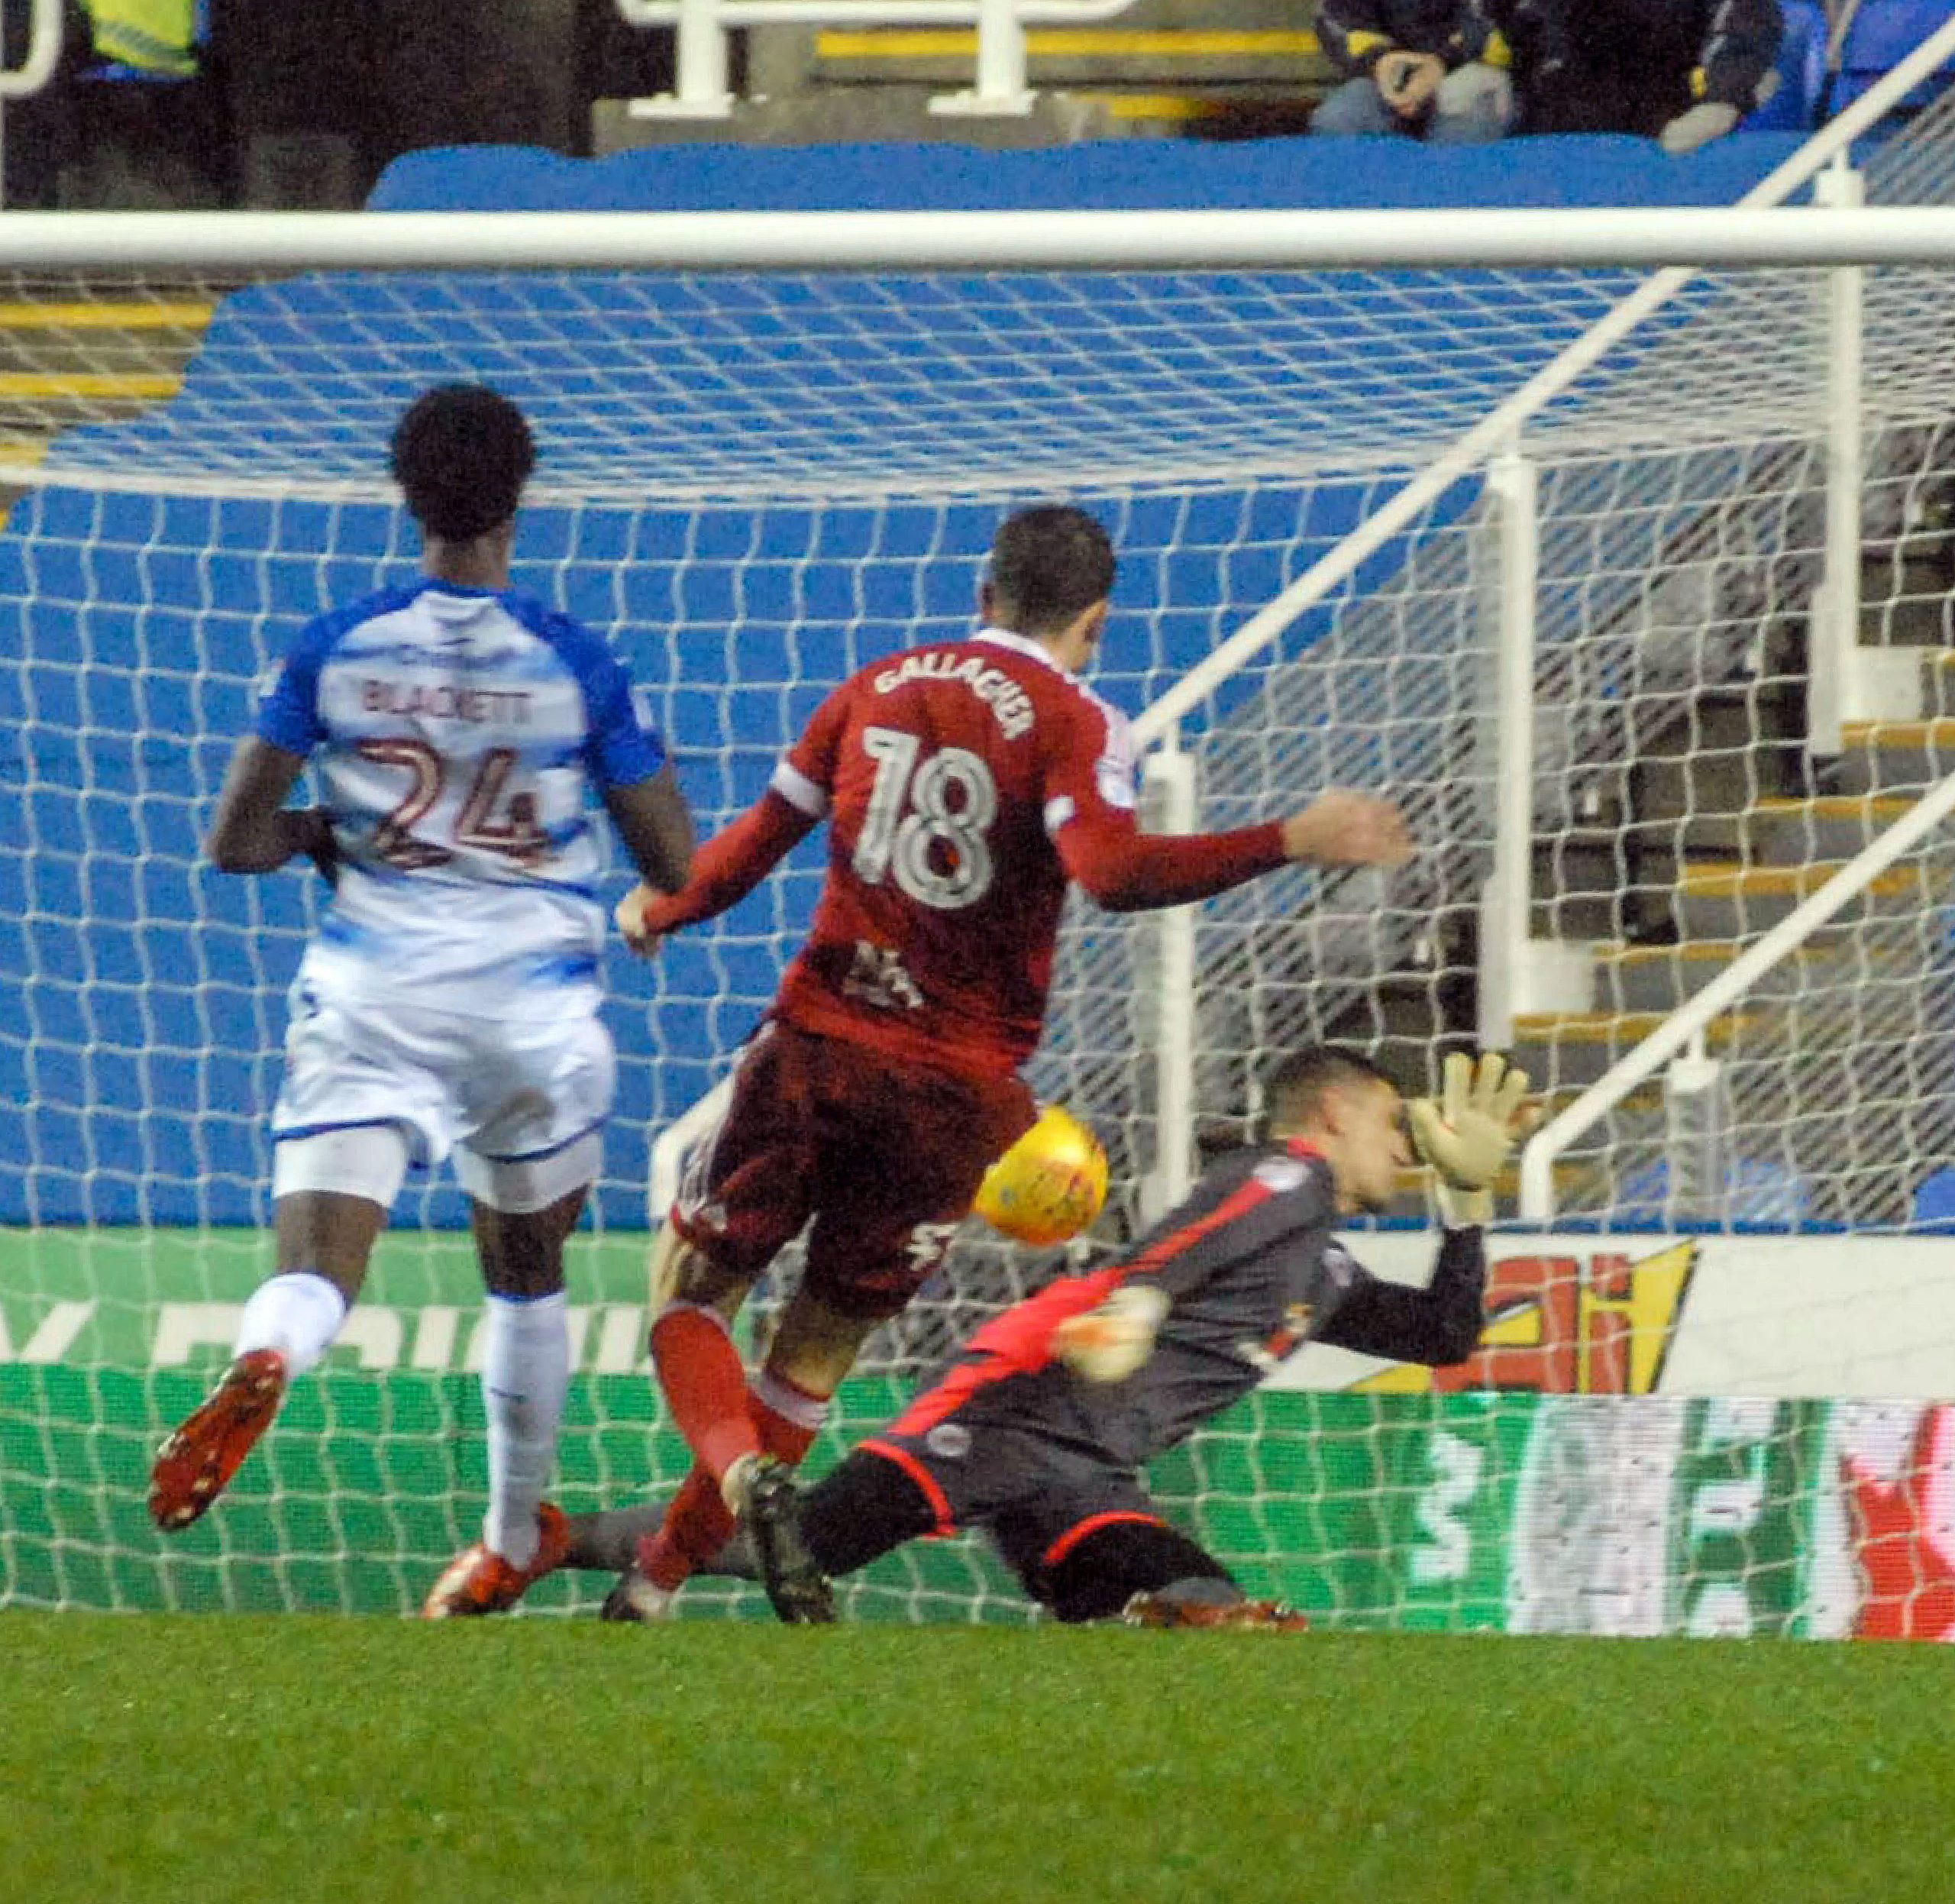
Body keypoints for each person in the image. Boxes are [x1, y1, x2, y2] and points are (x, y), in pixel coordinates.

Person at [583, 504, 1416, 1621]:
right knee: (817, 1352)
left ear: (985, 595)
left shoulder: (875, 686)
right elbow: (1110, 874)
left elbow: (742, 852)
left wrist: (657, 906)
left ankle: (737, 1481)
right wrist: (1288, 837)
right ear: (1097, 621)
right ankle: (657, 1587)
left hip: (820, 1042)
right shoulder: (1081, 719)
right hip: (958, 1098)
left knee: (693, 1300)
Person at [147, 383, 696, 1621]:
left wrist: (324, 833)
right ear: (522, 496)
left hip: (372, 993)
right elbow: (674, 861)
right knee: (524, 1272)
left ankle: (270, 1353)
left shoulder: (337, 646)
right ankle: (507, 1537)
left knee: (319, 1260)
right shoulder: (573, 657)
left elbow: (235, 839)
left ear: (404, 496)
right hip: (530, 1011)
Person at [619, 1046, 1532, 1628]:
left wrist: (1468, 1203)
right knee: (787, 1546)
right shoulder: (1288, 1180)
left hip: (1080, 1476)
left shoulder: (1321, 1268)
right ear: (1331, 1114)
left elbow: (1444, 1336)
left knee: (1209, 1613)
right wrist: (1138, 1302)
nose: (1407, 1145)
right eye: (1389, 1120)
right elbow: (1186, 1239)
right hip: (1005, 1421)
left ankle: (1122, 1641)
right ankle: (556, 1542)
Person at [1505, 0, 1784, 151]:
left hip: (1668, 133)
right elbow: (1488, 23)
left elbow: (1745, 24)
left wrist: (1721, 99)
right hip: (1548, 142)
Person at [1310, 0, 1519, 143]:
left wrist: (1441, 61)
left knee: (1471, 113)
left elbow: (1502, 24)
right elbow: (1337, 19)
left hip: (1471, 68)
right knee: (1339, 118)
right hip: (1389, 74)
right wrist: (1382, 61)